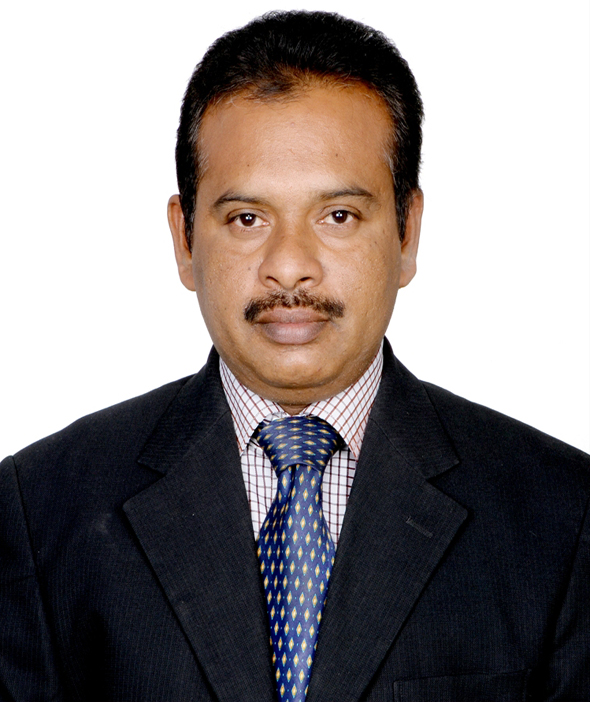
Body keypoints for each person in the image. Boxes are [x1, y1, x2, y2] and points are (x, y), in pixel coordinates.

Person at [1, 10, 588, 701]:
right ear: (185, 240)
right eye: (246, 218)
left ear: (406, 233)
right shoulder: (38, 512)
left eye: (338, 216)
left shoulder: (562, 516)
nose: (288, 266)